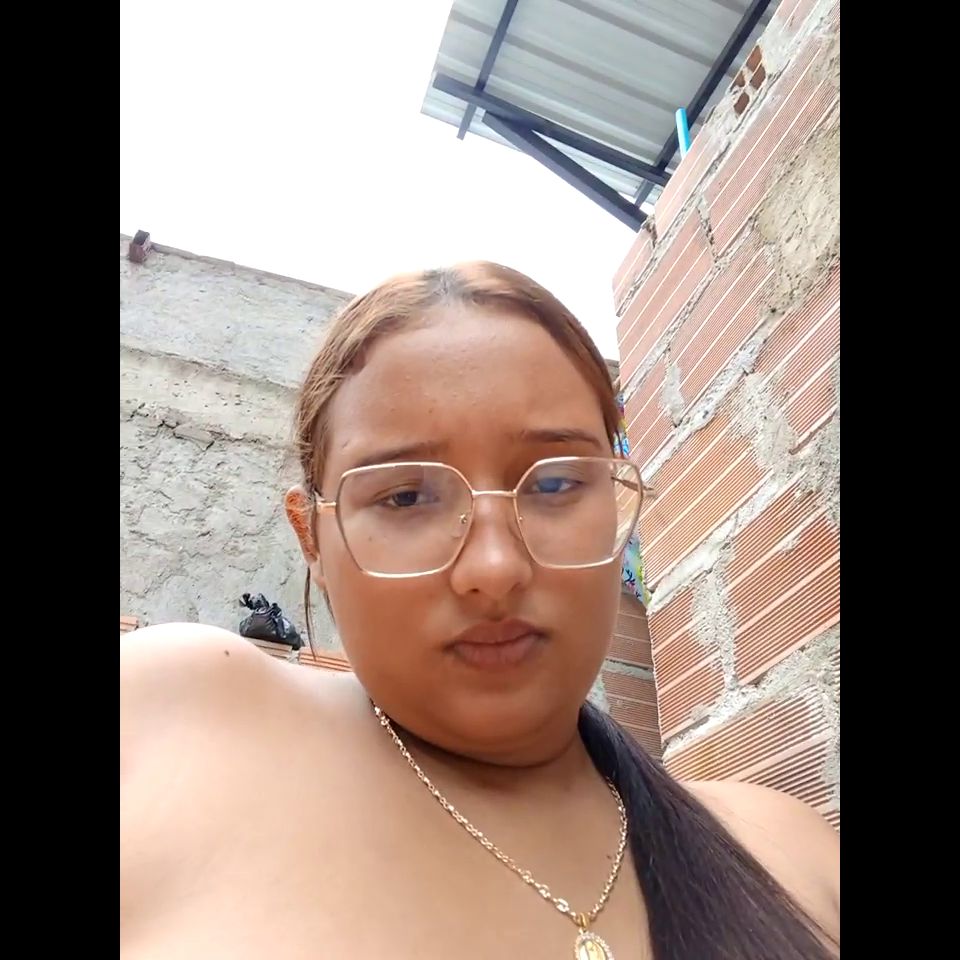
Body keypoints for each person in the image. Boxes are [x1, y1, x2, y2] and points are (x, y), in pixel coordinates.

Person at [120, 263, 840, 960]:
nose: (495, 569)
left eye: (554, 484)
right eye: (406, 497)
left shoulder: (788, 857)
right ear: (311, 537)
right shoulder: (170, 726)